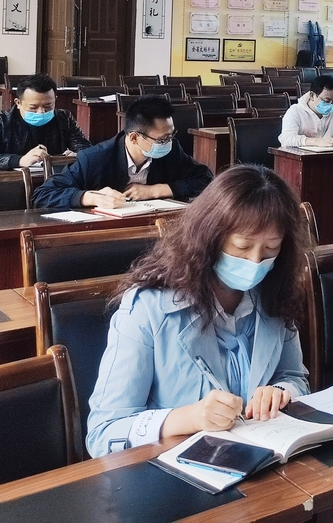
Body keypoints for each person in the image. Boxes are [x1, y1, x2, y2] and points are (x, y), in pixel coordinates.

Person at [85, 165, 312, 458]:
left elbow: (295, 378)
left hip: (261, 463)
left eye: (270, 249)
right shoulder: (147, 309)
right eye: (242, 247)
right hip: (174, 472)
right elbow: (103, 434)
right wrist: (189, 418)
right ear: (210, 238)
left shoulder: (275, 292)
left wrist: (281, 393)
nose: (256, 262)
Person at [31, 95, 213, 209]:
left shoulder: (171, 151)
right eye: (161, 139)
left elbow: (206, 179)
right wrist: (90, 197)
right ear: (134, 137)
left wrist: (155, 190)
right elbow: (42, 195)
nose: (168, 143)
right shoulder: (94, 159)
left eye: (171, 135)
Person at [0, 73, 90, 169]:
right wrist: (19, 160)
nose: (41, 112)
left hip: (55, 180)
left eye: (48, 106)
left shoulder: (64, 118)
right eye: (33, 107)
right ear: (18, 103)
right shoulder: (0, 120)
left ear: (55, 100)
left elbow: (87, 149)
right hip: (13, 181)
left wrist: (78, 155)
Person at [279, 75, 333, 148]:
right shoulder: (295, 111)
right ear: (312, 95)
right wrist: (316, 141)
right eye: (327, 101)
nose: (331, 105)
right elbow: (286, 139)